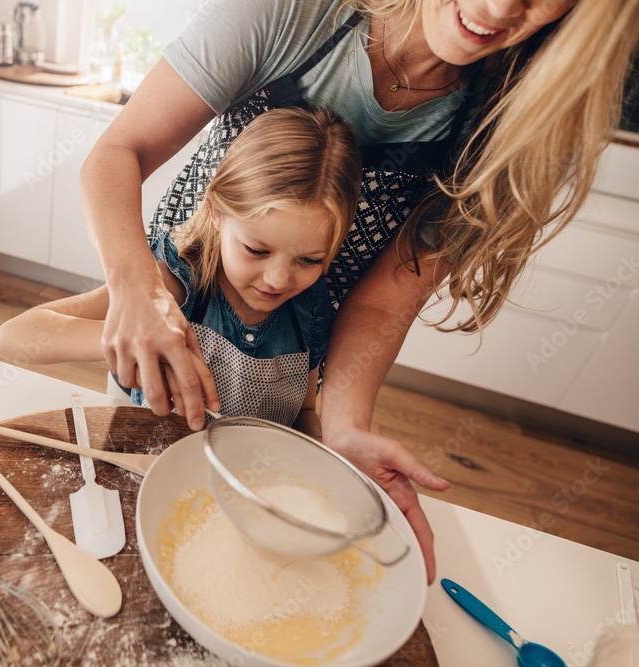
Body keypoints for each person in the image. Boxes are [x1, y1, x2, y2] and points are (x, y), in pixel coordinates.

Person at [77, 0, 639, 583]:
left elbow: (381, 300)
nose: (497, 6)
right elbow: (120, 152)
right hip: (171, 294)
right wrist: (143, 295)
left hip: (297, 349)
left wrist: (344, 429)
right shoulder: (290, 13)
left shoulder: (508, 120)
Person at [0, 106, 361, 435]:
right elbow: (13, 337)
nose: (280, 279)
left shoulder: (312, 307)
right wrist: (140, 341)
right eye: (256, 250)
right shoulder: (172, 281)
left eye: (310, 260)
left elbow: (306, 409)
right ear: (216, 211)